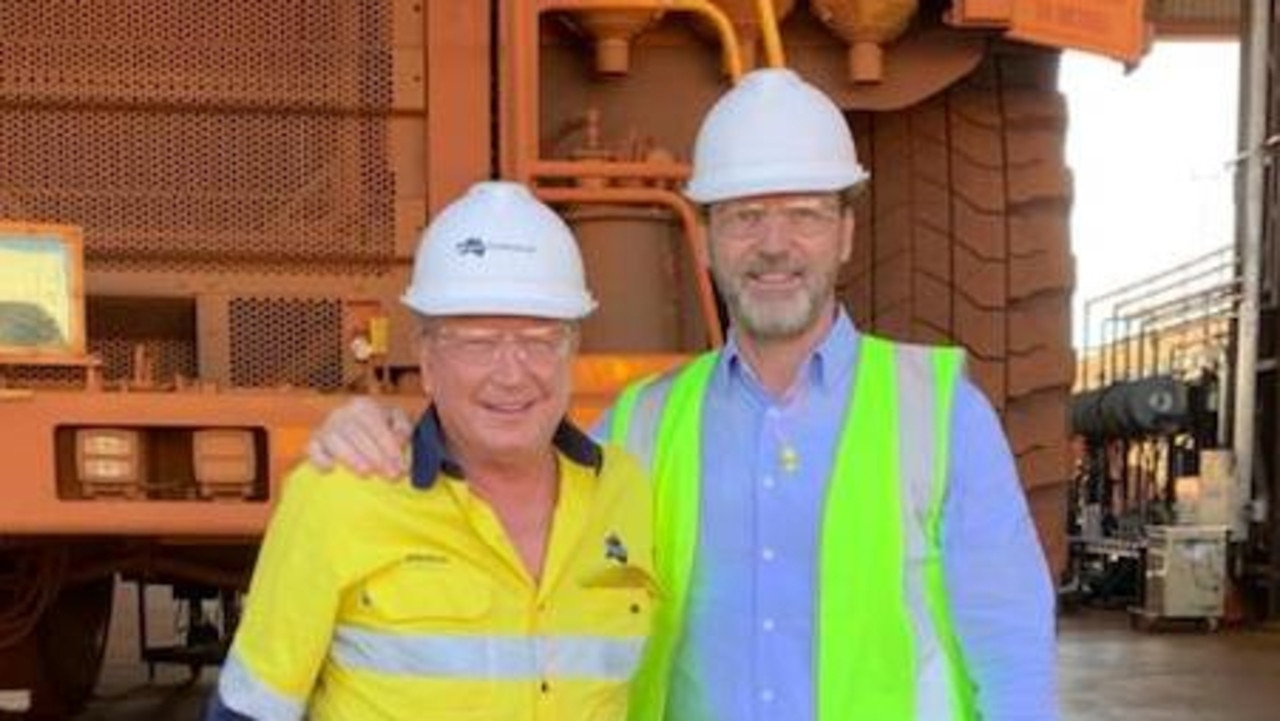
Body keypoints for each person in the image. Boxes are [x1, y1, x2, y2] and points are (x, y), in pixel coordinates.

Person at [307, 69, 1058, 720]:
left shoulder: (938, 409)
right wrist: (383, 431)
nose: (773, 245)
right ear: (703, 241)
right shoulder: (644, 420)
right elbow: (499, 494)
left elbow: (1011, 641)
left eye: (803, 215)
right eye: (744, 217)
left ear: (846, 234)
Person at [207, 181, 656, 720]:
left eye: (539, 339)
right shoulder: (340, 497)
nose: (511, 374)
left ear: (571, 352)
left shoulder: (627, 491)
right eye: (478, 343)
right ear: (426, 358)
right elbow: (249, 712)